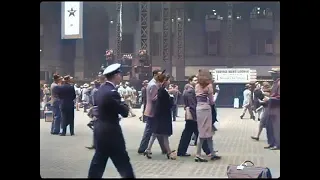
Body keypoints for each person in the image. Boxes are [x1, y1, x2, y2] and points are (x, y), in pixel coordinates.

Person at [88, 63, 135, 178]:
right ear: (115, 75)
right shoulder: (112, 92)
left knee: (98, 161)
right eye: (120, 74)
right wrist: (124, 103)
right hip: (111, 132)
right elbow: (124, 112)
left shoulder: (100, 89)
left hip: (100, 129)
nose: (121, 76)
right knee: (123, 162)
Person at [143, 73, 176, 160]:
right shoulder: (162, 91)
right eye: (167, 80)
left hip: (159, 115)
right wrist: (171, 97)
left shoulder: (161, 90)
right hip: (163, 116)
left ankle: (148, 149)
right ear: (164, 81)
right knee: (164, 134)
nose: (169, 82)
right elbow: (167, 104)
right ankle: (169, 152)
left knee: (155, 133)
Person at [177, 75, 211, 157]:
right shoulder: (190, 91)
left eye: (197, 80)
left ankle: (181, 151)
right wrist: (197, 116)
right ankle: (208, 151)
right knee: (198, 133)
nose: (197, 82)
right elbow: (193, 105)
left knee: (189, 133)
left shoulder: (188, 90)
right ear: (190, 81)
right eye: (195, 80)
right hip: (193, 115)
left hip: (191, 115)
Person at [137, 70, 167, 155]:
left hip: (151, 109)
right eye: (159, 75)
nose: (160, 76)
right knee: (150, 130)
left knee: (156, 129)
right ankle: (142, 148)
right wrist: (161, 94)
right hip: (153, 110)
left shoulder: (152, 83)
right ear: (155, 75)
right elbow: (153, 98)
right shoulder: (153, 85)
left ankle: (164, 148)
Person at [194, 69, 221, 162]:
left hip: (198, 108)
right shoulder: (209, 86)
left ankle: (212, 153)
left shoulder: (197, 86)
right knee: (204, 133)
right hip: (206, 109)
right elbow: (212, 101)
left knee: (205, 131)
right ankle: (198, 154)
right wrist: (216, 94)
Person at [266, 68, 280, 150]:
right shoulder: (275, 83)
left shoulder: (279, 83)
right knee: (269, 126)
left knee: (276, 127)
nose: (271, 75)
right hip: (271, 108)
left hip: (277, 109)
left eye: (273, 73)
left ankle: (277, 144)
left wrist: (269, 98)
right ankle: (271, 143)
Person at [86, 80, 101, 150]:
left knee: (96, 127)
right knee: (96, 127)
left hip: (95, 109)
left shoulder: (94, 90)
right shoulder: (98, 91)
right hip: (97, 109)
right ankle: (96, 144)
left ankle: (95, 144)